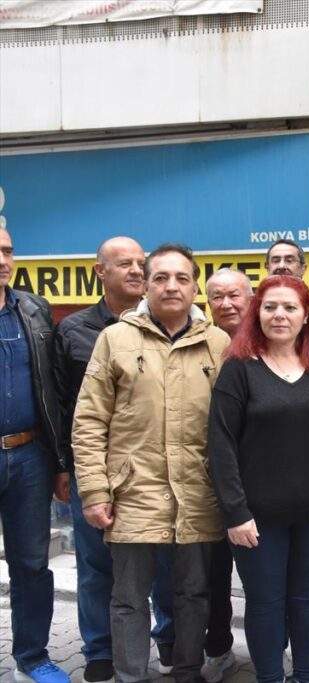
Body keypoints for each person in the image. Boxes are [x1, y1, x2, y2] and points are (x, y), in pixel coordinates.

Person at [73, 243, 232, 683]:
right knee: (128, 597)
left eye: (182, 278)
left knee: (193, 593)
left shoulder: (218, 343)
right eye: (160, 277)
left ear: (195, 287)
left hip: (197, 490)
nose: (171, 286)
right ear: (146, 285)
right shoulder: (116, 339)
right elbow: (89, 420)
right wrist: (95, 490)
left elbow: (232, 425)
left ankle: (187, 672)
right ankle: (130, 675)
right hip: (132, 492)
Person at [206, 275, 309, 683]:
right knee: (265, 603)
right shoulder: (239, 369)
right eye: (270, 307)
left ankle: (307, 676)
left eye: (290, 307)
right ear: (257, 313)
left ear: (307, 315)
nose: (279, 315)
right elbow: (221, 444)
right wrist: (235, 512)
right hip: (257, 518)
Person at [54, 237, 177, 683]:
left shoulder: (166, 325)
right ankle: (101, 650)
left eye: (141, 263)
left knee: (163, 565)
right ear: (100, 271)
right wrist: (63, 467)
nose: (136, 271)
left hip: (150, 471)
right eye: (124, 263)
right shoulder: (74, 330)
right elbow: (63, 405)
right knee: (96, 567)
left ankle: (168, 640)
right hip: (94, 470)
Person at [0, 225, 70, 683]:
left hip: (28, 455)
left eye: (7, 250)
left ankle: (32, 657)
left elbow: (53, 388)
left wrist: (61, 462)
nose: (2, 260)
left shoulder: (32, 308)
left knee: (31, 563)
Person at [201, 267, 255, 682]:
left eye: (234, 295)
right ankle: (218, 649)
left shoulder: (272, 340)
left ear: (250, 298)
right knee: (212, 577)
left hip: (263, 485)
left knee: (265, 582)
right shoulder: (201, 344)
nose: (227, 304)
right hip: (208, 485)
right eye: (217, 296)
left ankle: (272, 651)